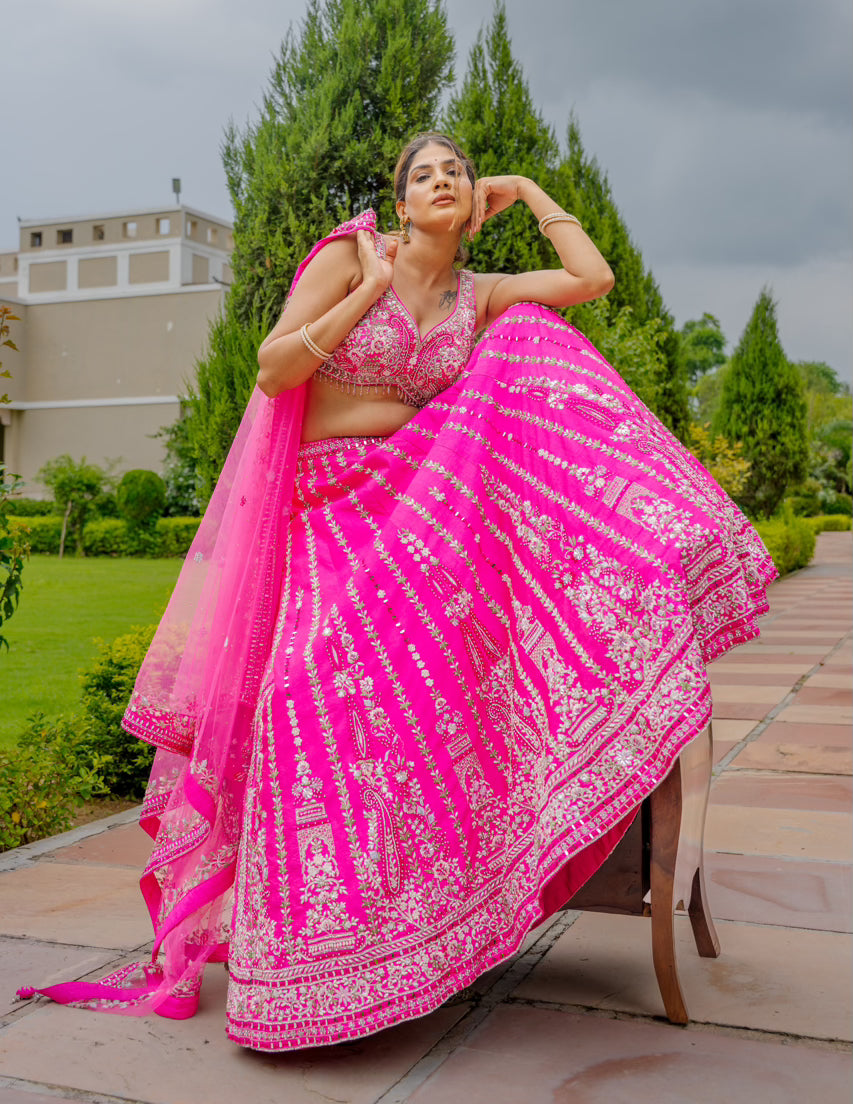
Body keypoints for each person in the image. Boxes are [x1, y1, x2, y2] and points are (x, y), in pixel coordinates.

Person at [19, 134, 775, 1052]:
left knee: (535, 342)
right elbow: (273, 371)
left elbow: (588, 280)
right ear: (401, 200)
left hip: (416, 504)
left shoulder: (479, 293)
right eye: (424, 174)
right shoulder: (348, 255)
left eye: (456, 171)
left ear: (472, 197)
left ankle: (652, 542)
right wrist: (371, 287)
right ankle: (306, 965)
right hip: (327, 503)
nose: (443, 182)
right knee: (302, 694)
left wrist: (531, 188)